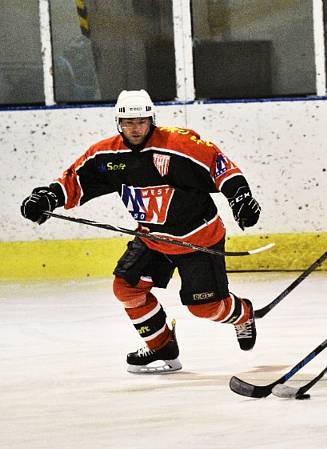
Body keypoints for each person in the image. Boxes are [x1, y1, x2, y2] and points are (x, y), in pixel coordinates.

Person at [19, 89, 261, 374]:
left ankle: (243, 314)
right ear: (118, 123)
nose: (135, 128)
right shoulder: (107, 154)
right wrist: (47, 198)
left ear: (152, 120)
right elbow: (75, 181)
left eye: (141, 121)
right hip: (152, 239)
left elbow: (220, 167)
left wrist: (240, 197)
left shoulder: (178, 144)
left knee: (205, 308)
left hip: (198, 240)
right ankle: (162, 347)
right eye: (128, 123)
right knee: (126, 289)